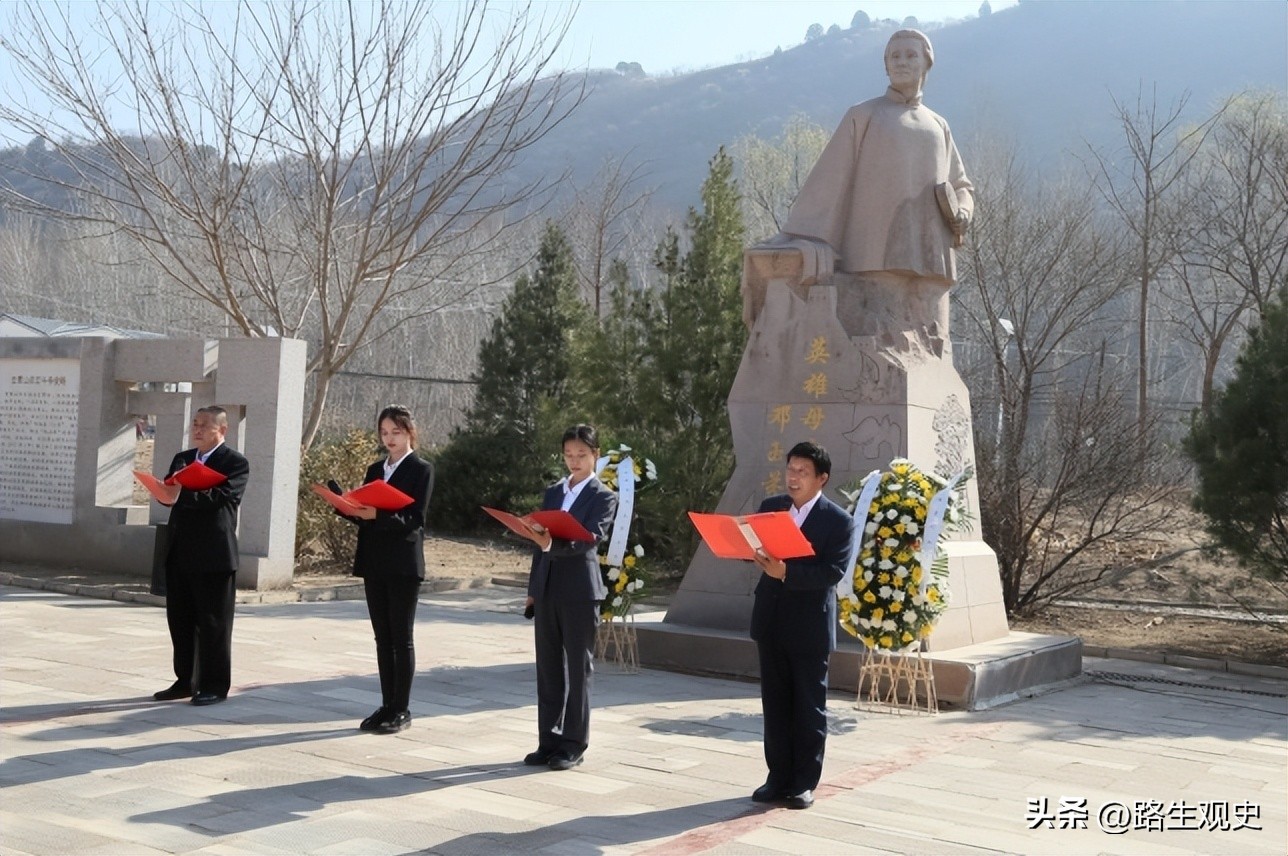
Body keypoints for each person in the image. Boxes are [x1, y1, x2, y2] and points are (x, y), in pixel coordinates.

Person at [779, 29, 974, 284]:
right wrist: (798, 234)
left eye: (910, 55)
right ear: (886, 66)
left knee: (933, 325)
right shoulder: (863, 115)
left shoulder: (939, 125)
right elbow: (828, 181)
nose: (901, 61)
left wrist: (963, 212)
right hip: (872, 258)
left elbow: (961, 186)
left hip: (933, 261)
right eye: (894, 56)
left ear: (926, 63)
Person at [748, 441, 856, 810]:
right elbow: (757, 550)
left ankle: (803, 784)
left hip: (808, 626)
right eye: (790, 470)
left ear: (821, 478)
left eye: (802, 472)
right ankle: (776, 778)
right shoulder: (771, 508)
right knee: (775, 704)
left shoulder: (838, 521)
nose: (793, 478)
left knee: (808, 706)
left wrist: (786, 572)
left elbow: (832, 572)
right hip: (771, 619)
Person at [518, 424, 617, 771]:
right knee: (547, 669)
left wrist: (550, 543)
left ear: (596, 456)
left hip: (579, 592)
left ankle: (573, 743)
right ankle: (549, 740)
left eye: (582, 455)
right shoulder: (553, 492)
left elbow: (590, 538)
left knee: (578, 668)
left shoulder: (603, 496)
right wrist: (533, 590)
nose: (574, 461)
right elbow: (538, 545)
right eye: (569, 455)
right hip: (547, 589)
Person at [338, 405, 435, 734]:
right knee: (382, 638)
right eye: (384, 433)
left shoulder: (421, 470)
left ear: (409, 432)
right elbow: (364, 514)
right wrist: (345, 506)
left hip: (403, 564)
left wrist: (375, 516)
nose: (389, 439)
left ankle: (402, 709)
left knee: (400, 637)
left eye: (396, 432)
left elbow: (415, 520)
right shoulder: (375, 469)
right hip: (375, 561)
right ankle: (386, 704)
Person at [152, 406, 250, 706]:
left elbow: (222, 498)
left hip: (214, 554)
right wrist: (166, 492)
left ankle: (214, 685)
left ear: (222, 430)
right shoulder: (183, 459)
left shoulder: (235, 463)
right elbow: (171, 494)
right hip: (180, 549)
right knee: (180, 620)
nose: (197, 429)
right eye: (194, 424)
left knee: (213, 622)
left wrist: (184, 493)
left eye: (204, 425)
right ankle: (185, 680)